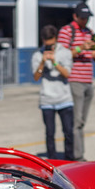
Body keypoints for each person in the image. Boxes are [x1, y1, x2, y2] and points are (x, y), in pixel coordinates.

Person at [57, 2, 95, 161]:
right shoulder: (66, 31)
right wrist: (80, 47)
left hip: (88, 81)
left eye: (87, 18)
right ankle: (77, 156)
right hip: (74, 80)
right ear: (75, 16)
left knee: (81, 122)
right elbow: (61, 56)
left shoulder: (89, 32)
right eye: (83, 17)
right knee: (76, 122)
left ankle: (76, 153)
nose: (85, 21)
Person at [32, 24, 74, 159]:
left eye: (52, 43)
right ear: (42, 40)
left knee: (68, 132)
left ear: (56, 39)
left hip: (64, 99)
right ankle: (52, 161)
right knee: (50, 133)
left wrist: (55, 62)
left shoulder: (65, 52)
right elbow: (36, 77)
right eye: (46, 43)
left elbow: (67, 74)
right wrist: (42, 63)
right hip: (47, 100)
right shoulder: (37, 55)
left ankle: (69, 159)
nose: (49, 46)